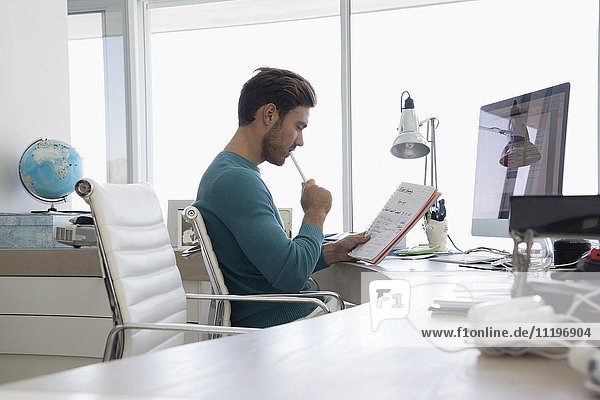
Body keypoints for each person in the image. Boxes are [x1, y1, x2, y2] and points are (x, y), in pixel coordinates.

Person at [194, 67, 370, 328]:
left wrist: (332, 252)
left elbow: (273, 263)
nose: (300, 141)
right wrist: (316, 212)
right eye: (298, 126)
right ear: (269, 114)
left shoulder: (232, 173)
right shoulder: (236, 180)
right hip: (282, 325)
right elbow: (290, 275)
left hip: (289, 318)